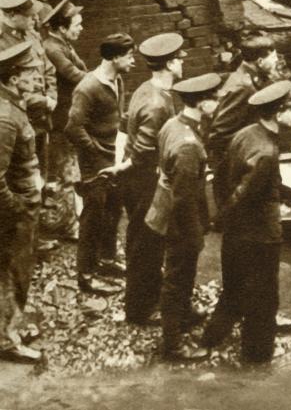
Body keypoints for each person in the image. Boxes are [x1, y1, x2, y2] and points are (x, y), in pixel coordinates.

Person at [201, 81, 291, 365]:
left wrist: (222, 220)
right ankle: (257, 359)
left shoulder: (245, 134)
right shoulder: (267, 152)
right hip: (260, 236)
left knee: (233, 288)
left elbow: (220, 178)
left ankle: (212, 337)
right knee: (264, 298)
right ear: (279, 113)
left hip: (235, 233)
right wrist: (222, 218)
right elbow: (245, 195)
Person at [144, 72, 222, 362]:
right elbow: (185, 199)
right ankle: (173, 345)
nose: (217, 102)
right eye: (213, 98)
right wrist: (194, 235)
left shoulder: (172, 124)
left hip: (167, 211)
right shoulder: (188, 144)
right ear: (202, 103)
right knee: (177, 278)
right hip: (180, 222)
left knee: (179, 276)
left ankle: (183, 316)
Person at [65, 33, 135, 295]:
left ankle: (107, 259)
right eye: (129, 56)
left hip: (113, 155)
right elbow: (73, 128)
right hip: (95, 163)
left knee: (113, 209)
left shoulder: (118, 79)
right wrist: (94, 151)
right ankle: (86, 275)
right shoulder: (87, 87)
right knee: (92, 217)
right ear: (115, 57)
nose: (133, 61)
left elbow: (115, 117)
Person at [121, 33, 184, 326]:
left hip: (139, 180)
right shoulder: (157, 103)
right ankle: (139, 310)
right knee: (146, 244)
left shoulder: (146, 89)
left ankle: (147, 298)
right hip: (146, 183)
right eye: (180, 58)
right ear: (171, 63)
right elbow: (145, 151)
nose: (183, 62)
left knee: (142, 241)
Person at [0, 42, 43, 365]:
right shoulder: (5, 117)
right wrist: (17, 206)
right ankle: (5, 339)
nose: (37, 78)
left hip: (23, 204)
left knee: (19, 271)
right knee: (12, 274)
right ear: (14, 78)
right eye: (30, 72)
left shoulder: (13, 105)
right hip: (14, 212)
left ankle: (10, 328)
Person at [0, 0, 57, 210]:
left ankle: (37, 223)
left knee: (37, 170)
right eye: (28, 15)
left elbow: (47, 67)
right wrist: (43, 101)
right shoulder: (2, 43)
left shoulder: (30, 34)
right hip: (19, 118)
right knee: (19, 177)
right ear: (12, 15)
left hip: (40, 118)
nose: (34, 18)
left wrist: (51, 93)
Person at [207, 37, 278, 213]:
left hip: (243, 157)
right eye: (274, 57)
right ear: (260, 61)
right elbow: (219, 132)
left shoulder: (251, 79)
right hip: (235, 163)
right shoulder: (243, 86)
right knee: (237, 214)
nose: (277, 60)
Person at [41, 0, 86, 242]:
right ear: (61, 27)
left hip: (71, 117)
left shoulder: (64, 44)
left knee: (70, 171)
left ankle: (69, 220)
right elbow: (74, 75)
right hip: (61, 122)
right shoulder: (53, 48)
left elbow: (83, 69)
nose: (81, 28)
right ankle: (68, 227)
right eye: (77, 25)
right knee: (65, 174)